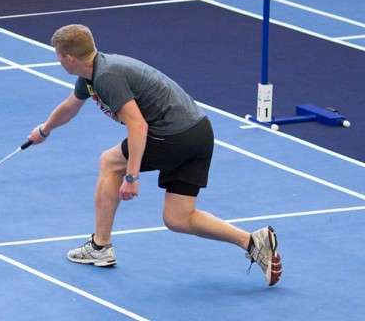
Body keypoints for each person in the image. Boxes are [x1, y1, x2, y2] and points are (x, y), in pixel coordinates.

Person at [27, 24, 282, 286]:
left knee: (110, 161)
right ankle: (252, 242)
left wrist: (132, 176)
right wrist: (44, 130)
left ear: (69, 58)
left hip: (174, 134)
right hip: (200, 133)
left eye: (58, 54)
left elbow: (138, 125)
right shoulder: (92, 73)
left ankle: (100, 247)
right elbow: (71, 105)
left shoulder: (107, 77)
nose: (57, 59)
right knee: (178, 218)